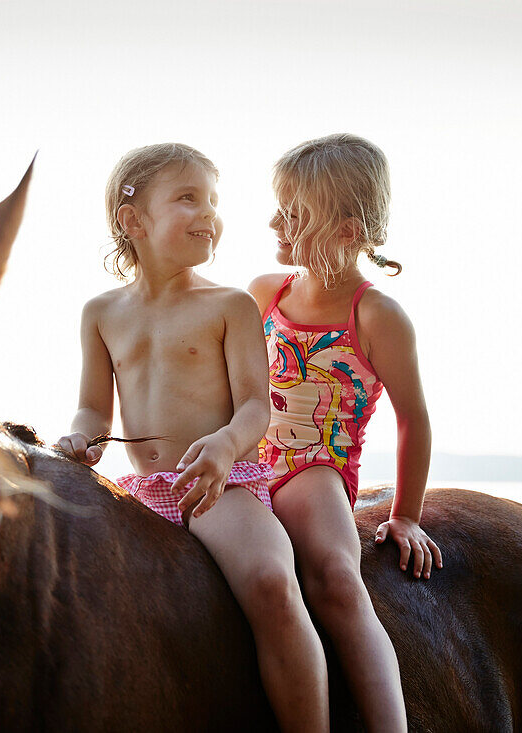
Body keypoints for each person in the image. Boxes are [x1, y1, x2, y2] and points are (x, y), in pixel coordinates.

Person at [57, 143, 328, 732]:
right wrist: (80, 439)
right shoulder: (100, 312)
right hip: (141, 494)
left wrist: (226, 445)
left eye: (213, 201)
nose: (208, 214)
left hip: (218, 488)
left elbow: (258, 407)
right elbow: (91, 409)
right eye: (187, 198)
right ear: (133, 221)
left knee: (271, 583)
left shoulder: (228, 305)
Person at [249, 134, 441, 732]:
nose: (274, 221)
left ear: (346, 230)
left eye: (294, 212)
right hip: (247, 459)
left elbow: (414, 419)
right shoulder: (265, 293)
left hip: (314, 466)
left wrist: (406, 514)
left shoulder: (375, 314)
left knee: (335, 577)